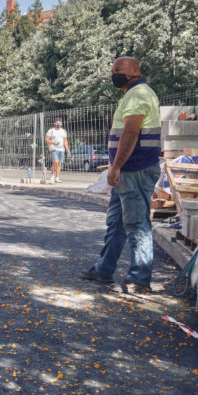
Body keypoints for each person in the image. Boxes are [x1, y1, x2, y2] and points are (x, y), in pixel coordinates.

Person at [80, 57, 161, 294]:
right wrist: (116, 168)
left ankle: (139, 280)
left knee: (137, 225)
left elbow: (131, 132)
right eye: (113, 69)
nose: (114, 72)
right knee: (116, 223)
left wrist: (115, 167)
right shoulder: (131, 94)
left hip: (135, 169)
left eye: (119, 68)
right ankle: (104, 270)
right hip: (127, 170)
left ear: (136, 70)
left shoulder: (138, 94)